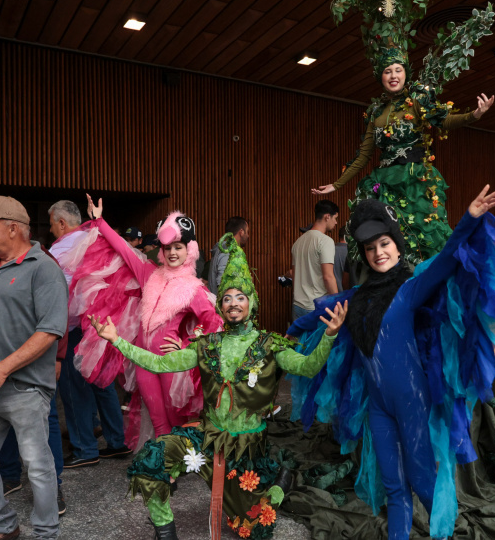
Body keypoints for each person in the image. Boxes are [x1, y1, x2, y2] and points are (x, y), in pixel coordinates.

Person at [288, 187, 495, 539]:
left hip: (412, 404)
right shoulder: (355, 299)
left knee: (422, 482)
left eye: (384, 244)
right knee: (393, 487)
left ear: (397, 246)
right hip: (379, 409)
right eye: (371, 248)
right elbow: (314, 316)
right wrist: (280, 338)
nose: (378, 253)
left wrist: (470, 218)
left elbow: (450, 257)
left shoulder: (410, 290)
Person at [88, 231, 347, 539]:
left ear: (251, 303)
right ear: (221, 307)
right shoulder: (206, 345)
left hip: (245, 451)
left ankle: (279, 485)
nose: (233, 303)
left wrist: (329, 336)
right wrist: (116, 339)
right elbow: (157, 364)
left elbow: (308, 366)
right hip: (207, 442)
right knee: (151, 460)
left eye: (240, 297)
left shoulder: (270, 346)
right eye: (226, 298)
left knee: (254, 528)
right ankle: (165, 532)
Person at [311, 0, 495, 267]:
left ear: (405, 73)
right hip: (385, 184)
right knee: (383, 240)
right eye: (387, 71)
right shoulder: (375, 111)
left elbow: (443, 120)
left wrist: (474, 115)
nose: (393, 75)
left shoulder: (418, 100)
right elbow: (363, 156)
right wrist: (336, 185)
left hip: (416, 181)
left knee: (423, 240)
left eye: (398, 70)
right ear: (380, 77)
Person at [67, 194, 221, 451]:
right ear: (161, 250)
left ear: (189, 250)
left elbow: (214, 322)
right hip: (142, 359)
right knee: (158, 419)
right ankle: (164, 466)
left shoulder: (194, 289)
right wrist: (100, 221)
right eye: (168, 248)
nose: (172, 253)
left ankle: (180, 461)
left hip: (171, 363)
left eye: (178, 247)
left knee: (175, 419)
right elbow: (124, 249)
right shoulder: (148, 273)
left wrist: (187, 343)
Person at [0, 196, 68, 540]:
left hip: (23, 387)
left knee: (36, 467)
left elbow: (50, 330)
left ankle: (47, 532)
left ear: (13, 228)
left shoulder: (43, 267)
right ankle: (3, 526)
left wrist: (0, 370)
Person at [47, 200, 129, 469]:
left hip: (73, 326)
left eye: (51, 224)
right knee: (102, 382)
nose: (50, 230)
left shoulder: (58, 250)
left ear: (61, 223)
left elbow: (58, 294)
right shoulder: (98, 238)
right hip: (103, 323)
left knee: (74, 387)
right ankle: (117, 441)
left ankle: (85, 447)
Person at [290, 201, 339, 320]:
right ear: (327, 216)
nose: (336, 222)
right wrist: (338, 302)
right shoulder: (325, 241)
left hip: (297, 305)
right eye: (335, 218)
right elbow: (328, 277)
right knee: (319, 339)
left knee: (300, 339)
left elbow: (294, 274)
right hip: (316, 307)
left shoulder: (298, 242)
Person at [208, 216, 249, 293]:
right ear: (241, 232)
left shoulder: (223, 249)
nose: (248, 235)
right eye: (247, 232)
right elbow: (224, 284)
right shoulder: (228, 251)